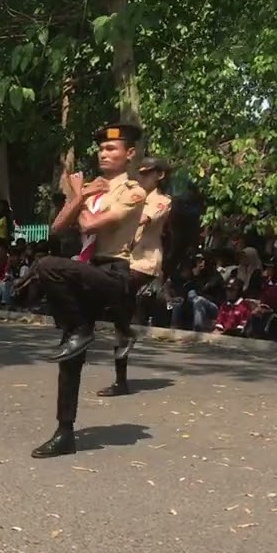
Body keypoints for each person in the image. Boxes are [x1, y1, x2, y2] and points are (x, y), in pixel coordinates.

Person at [31, 123, 147, 458]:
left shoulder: (132, 191)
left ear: (130, 154)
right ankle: (64, 432)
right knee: (70, 356)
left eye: (112, 149)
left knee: (48, 265)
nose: (104, 153)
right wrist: (80, 194)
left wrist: (80, 197)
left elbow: (89, 225)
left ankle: (94, 329)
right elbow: (56, 228)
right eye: (101, 149)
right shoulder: (90, 189)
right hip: (86, 269)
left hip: (113, 273)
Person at [100, 155, 171, 397]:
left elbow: (140, 220)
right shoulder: (131, 196)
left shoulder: (161, 201)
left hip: (144, 263)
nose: (141, 177)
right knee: (121, 320)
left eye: (147, 173)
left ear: (159, 175)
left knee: (117, 291)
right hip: (123, 260)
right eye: (139, 173)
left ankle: (126, 331)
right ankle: (121, 380)